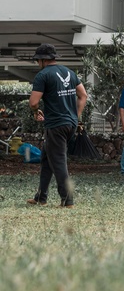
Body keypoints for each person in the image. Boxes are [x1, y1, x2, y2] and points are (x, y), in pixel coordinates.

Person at [27, 44, 88, 207]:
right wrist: (75, 116)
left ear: (42, 60)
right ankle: (41, 197)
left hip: (55, 126)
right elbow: (83, 95)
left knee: (59, 161)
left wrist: (36, 111)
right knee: (47, 159)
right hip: (70, 124)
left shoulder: (43, 75)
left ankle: (68, 200)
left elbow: (33, 102)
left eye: (37, 60)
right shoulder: (70, 72)